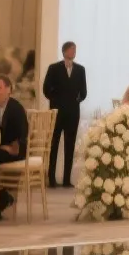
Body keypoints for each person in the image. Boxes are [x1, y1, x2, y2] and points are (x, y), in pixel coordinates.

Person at [0, 75, 28, 222]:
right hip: (2, 148)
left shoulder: (16, 108)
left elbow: (23, 134)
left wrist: (11, 147)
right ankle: (1, 197)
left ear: (9, 90)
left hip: (16, 150)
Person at [42, 42, 87, 188]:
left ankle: (67, 179)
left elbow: (84, 91)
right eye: (71, 49)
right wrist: (55, 100)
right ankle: (51, 178)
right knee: (54, 144)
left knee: (70, 144)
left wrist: (76, 101)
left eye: (75, 49)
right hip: (57, 112)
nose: (74, 51)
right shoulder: (54, 68)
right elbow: (46, 89)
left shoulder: (80, 69)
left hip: (73, 113)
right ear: (64, 51)